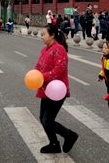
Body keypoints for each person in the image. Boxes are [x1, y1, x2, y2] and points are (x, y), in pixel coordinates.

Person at [34, 24, 79, 154]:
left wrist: (41, 76)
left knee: (47, 120)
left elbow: (58, 71)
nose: (41, 37)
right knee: (43, 118)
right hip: (46, 89)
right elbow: (38, 65)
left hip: (57, 90)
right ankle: (54, 144)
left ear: (52, 35)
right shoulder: (45, 49)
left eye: (44, 34)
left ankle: (69, 135)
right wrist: (35, 74)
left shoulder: (59, 50)